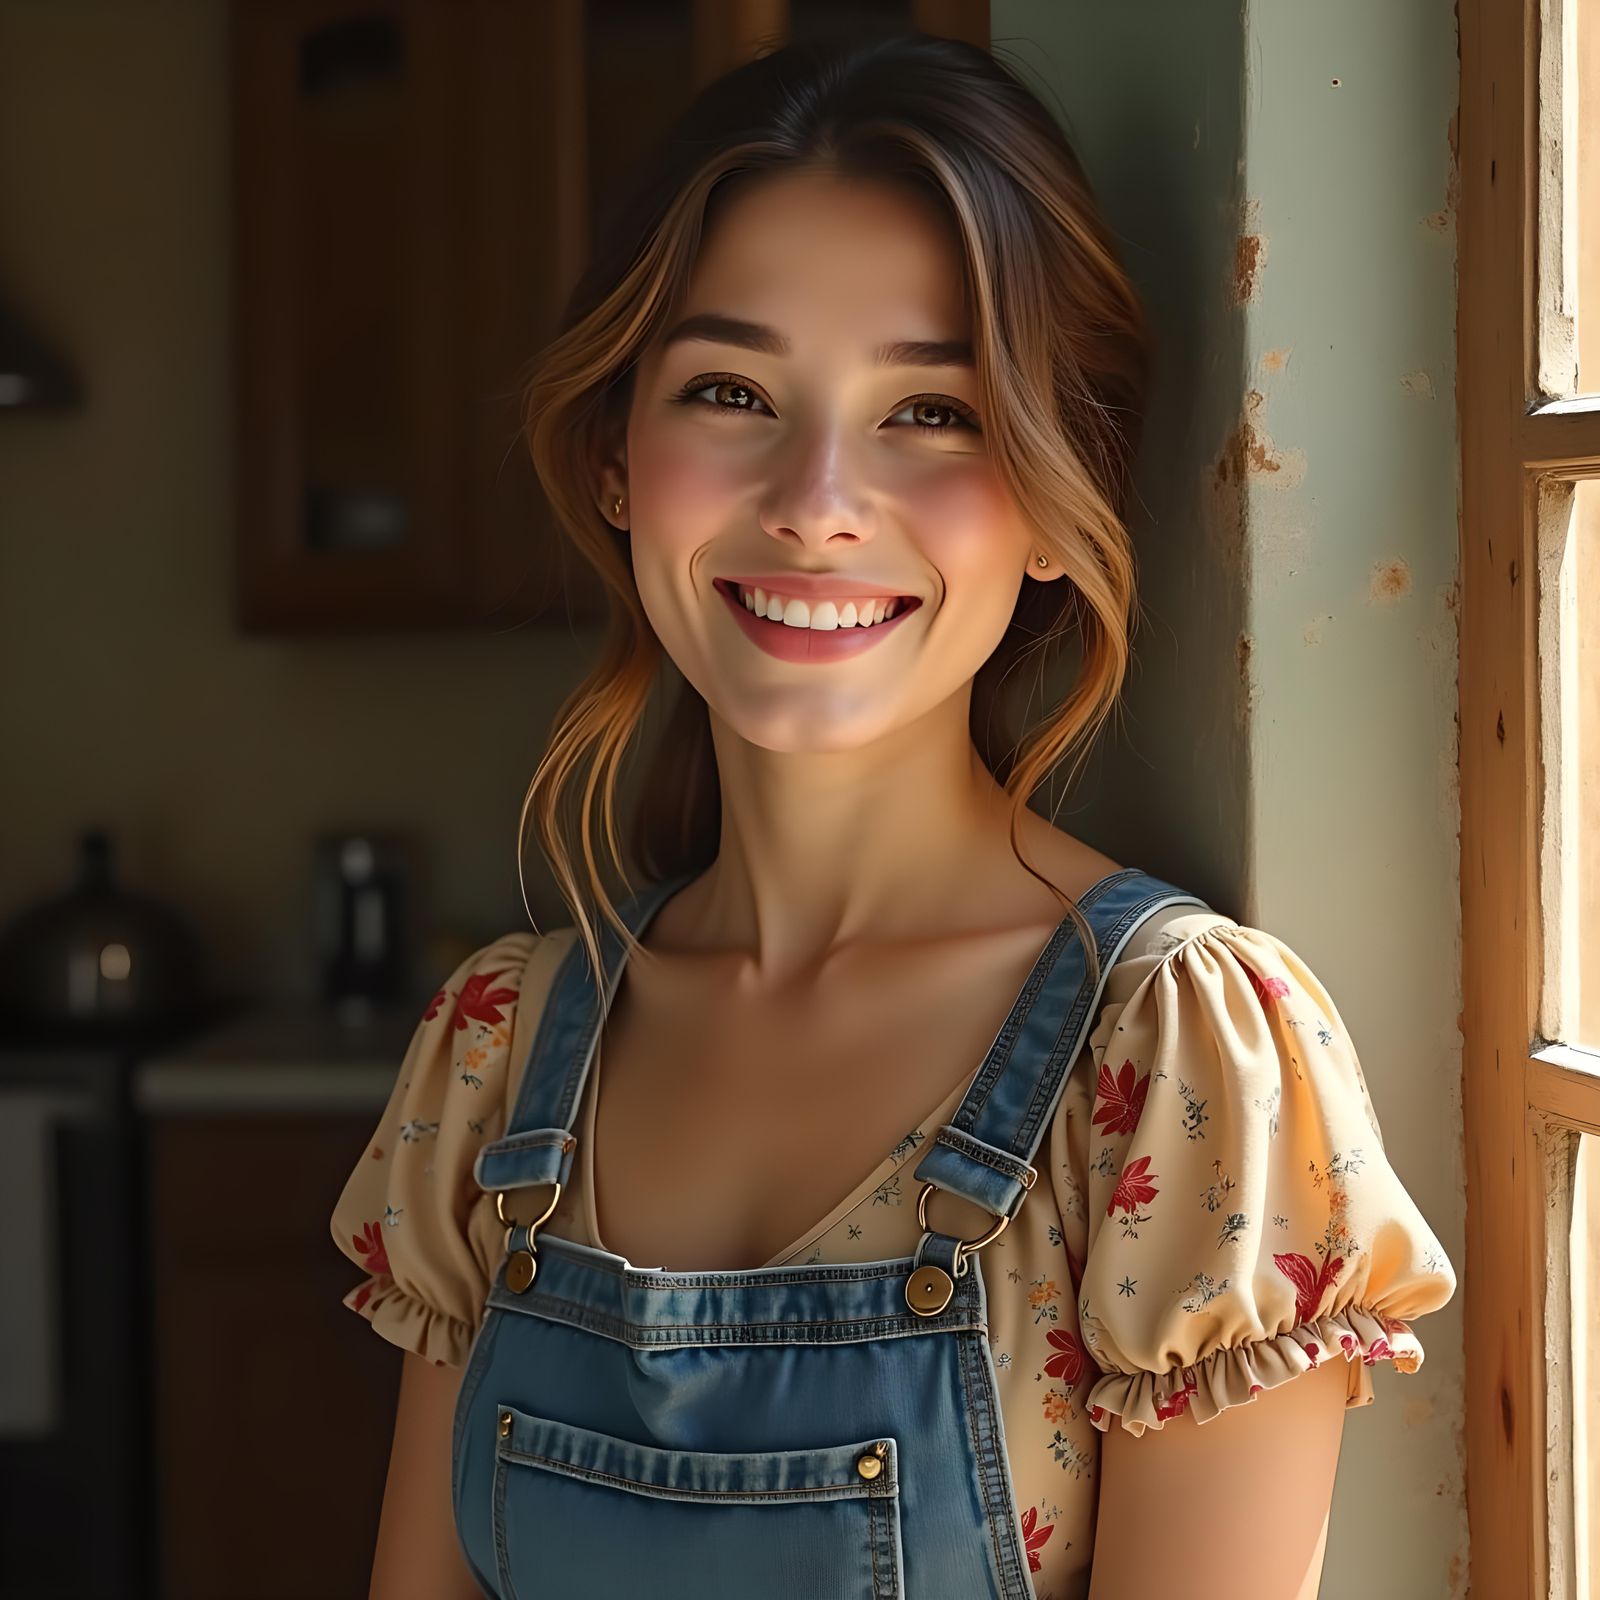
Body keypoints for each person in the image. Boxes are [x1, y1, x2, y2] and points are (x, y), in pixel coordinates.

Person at [330, 29, 1457, 1600]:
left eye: (931, 412)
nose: (816, 496)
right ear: (612, 460)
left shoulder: (1175, 1060)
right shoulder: (498, 1054)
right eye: (731, 390)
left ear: (1067, 497)